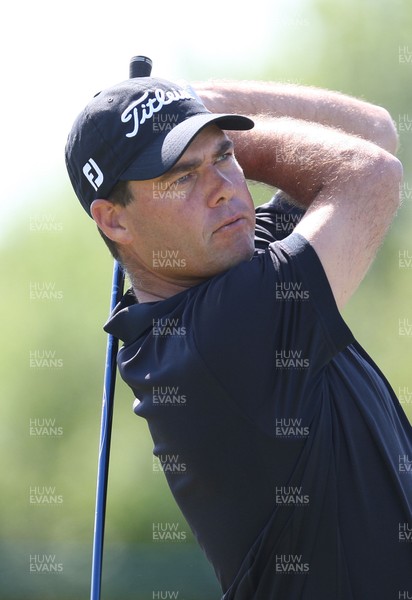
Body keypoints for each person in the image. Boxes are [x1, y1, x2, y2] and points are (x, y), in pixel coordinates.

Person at [65, 66, 412, 599]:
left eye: (224, 157)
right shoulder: (217, 338)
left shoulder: (232, 260)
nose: (225, 190)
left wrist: (199, 101)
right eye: (182, 176)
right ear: (114, 221)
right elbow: (372, 174)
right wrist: (207, 119)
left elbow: (374, 133)